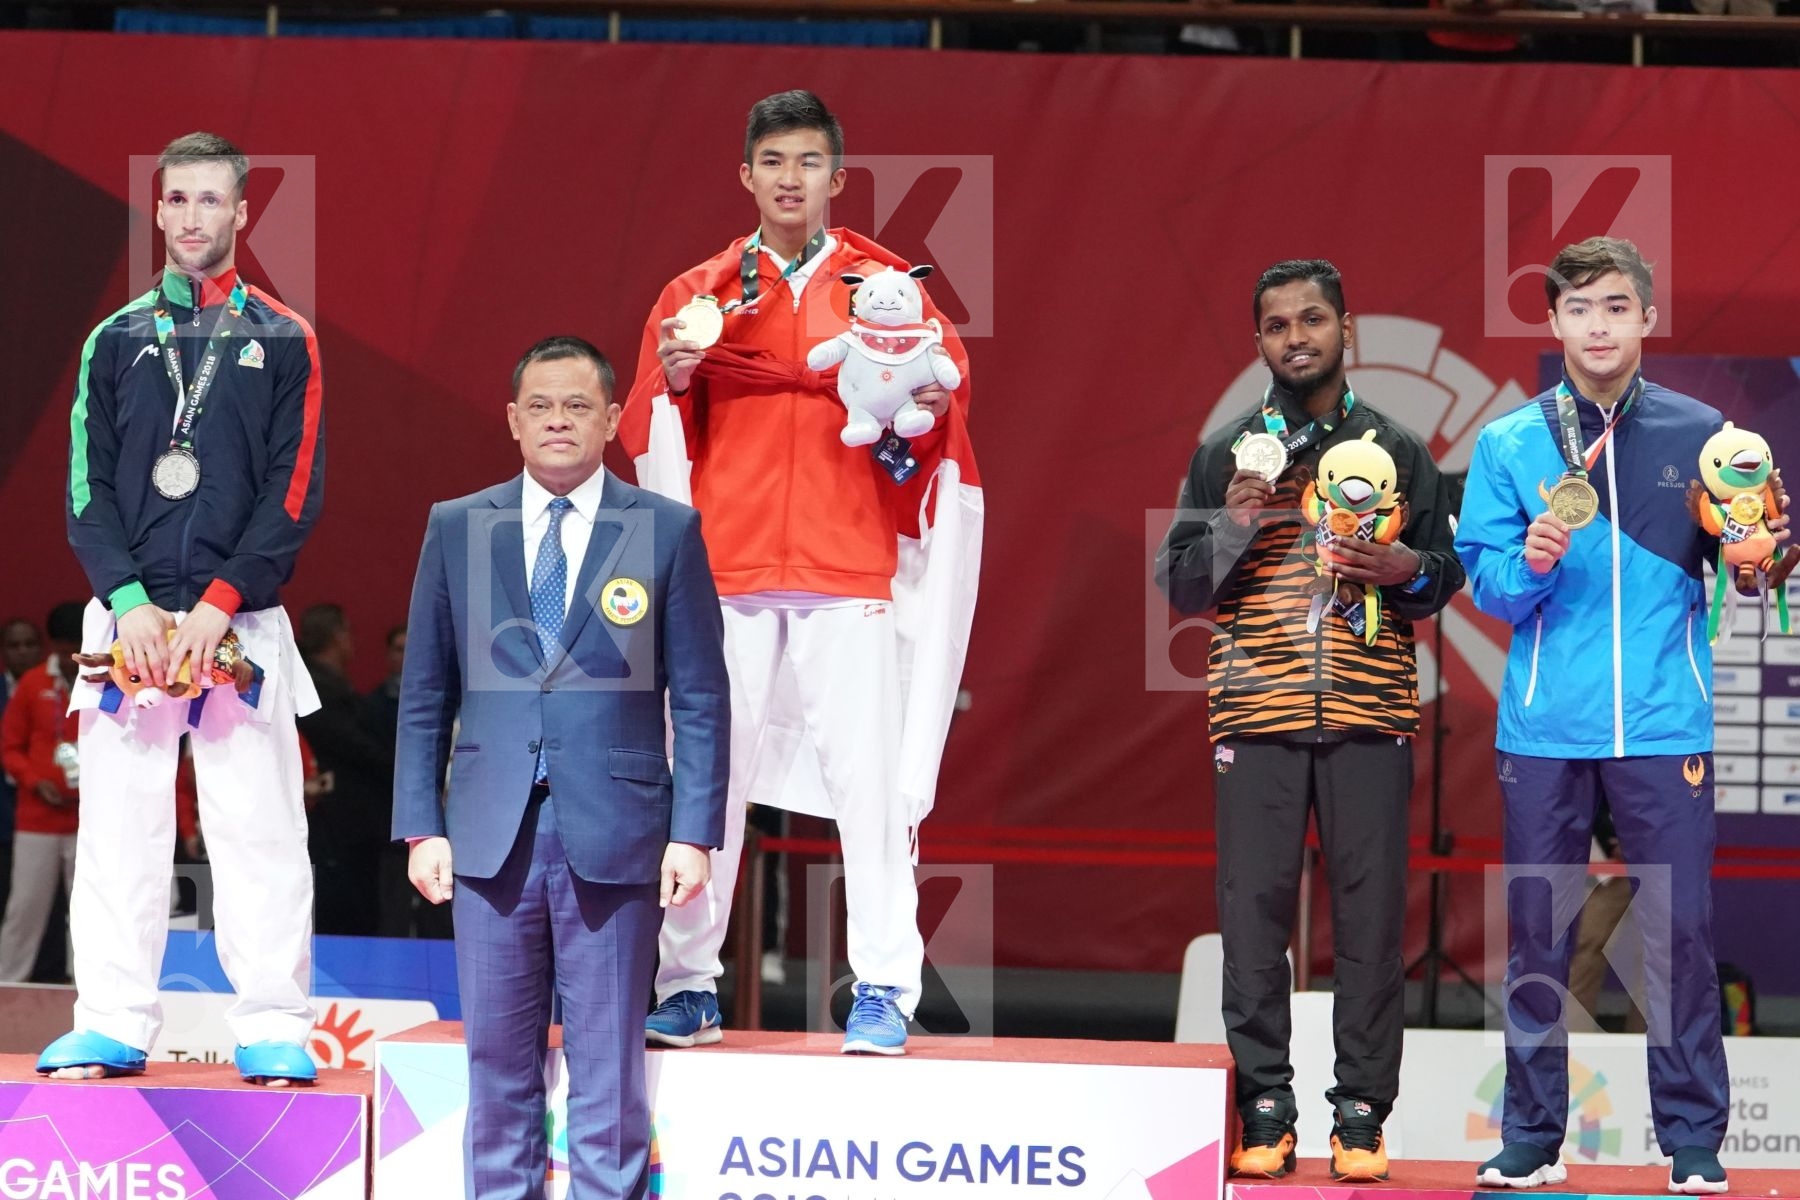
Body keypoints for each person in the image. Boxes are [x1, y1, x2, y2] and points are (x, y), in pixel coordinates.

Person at [619, 89, 981, 1057]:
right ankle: (688, 985)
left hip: (848, 565)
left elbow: (942, 415)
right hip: (728, 570)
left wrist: (915, 401)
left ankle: (884, 988)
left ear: (838, 176)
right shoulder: (696, 293)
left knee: (871, 790)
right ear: (746, 175)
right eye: (773, 161)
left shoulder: (885, 287)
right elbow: (641, 427)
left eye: (808, 161)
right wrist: (676, 378)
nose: (790, 179)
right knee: (706, 782)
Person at [1456, 236, 1792, 1195]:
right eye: (1579, 308)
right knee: (1538, 934)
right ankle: (1531, 1135)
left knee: (1678, 934)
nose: (1597, 326)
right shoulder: (1509, 443)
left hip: (1662, 722)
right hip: (1545, 729)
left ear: (1646, 316)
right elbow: (1486, 582)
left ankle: (1692, 1139)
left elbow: (1749, 561)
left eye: (1615, 306)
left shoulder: (1705, 433)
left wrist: (1761, 556)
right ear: (1553, 321)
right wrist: (1531, 561)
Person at [394, 336, 728, 1200]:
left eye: (577, 406)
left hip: (618, 832)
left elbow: (700, 698)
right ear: (512, 420)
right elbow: (424, 690)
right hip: (488, 833)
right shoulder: (457, 526)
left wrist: (693, 834)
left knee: (608, 1072)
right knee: (496, 1068)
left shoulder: (665, 530)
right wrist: (421, 825)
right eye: (539, 406)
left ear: (612, 420)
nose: (557, 421)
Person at [1155, 259, 1464, 1182]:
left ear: (1345, 330)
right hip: (1256, 713)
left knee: (1370, 922)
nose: (1297, 337)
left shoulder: (1398, 449)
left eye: (1313, 319)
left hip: (1371, 713)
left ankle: (1361, 1116)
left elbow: (1443, 578)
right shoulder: (1226, 453)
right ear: (1259, 341)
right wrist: (1231, 525)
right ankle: (1264, 1108)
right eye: (1278, 324)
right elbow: (1180, 587)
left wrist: (1405, 568)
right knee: (1252, 922)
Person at [42, 130, 326, 1086]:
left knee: (258, 829)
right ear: (157, 209)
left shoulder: (284, 337)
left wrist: (217, 605)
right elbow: (86, 490)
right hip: (127, 625)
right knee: (120, 833)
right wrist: (128, 602)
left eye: (212, 199)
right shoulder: (115, 338)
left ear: (242, 211)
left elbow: (292, 492)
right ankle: (111, 1020)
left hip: (236, 627)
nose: (193, 215)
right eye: (178, 199)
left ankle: (273, 1025)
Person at [297, 602, 393, 936]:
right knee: (345, 917)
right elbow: (355, 746)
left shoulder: (327, 683)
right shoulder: (315, 687)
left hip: (349, 823)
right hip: (333, 824)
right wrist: (397, 765)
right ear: (336, 636)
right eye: (348, 631)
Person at [0, 603, 84, 981]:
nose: (69, 659)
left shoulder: (106, 682)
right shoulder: (33, 684)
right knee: (25, 909)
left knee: (87, 910)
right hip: (36, 821)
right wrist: (35, 781)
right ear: (53, 646)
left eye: (76, 650)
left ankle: (85, 987)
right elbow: (9, 748)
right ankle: (7, 985)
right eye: (63, 651)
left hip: (87, 821)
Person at [0, 619, 45, 923]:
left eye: (30, 644)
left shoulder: (59, 687)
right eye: (14, 645)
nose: (22, 651)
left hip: (47, 808)